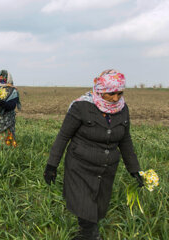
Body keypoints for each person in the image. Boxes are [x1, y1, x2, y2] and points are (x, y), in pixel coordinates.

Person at [43, 69, 144, 240]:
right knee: (84, 203)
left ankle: (86, 233)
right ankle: (90, 235)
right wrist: (52, 165)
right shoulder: (81, 107)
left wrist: (135, 169)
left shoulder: (123, 109)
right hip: (80, 165)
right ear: (100, 91)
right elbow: (63, 136)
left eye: (120, 93)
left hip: (106, 167)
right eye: (111, 93)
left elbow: (125, 141)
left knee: (98, 204)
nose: (116, 98)